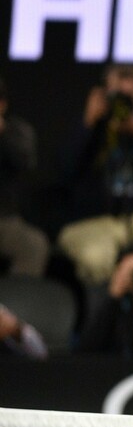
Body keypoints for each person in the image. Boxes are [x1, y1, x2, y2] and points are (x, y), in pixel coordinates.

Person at [56, 64, 133, 305]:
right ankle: (107, 319)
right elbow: (65, 170)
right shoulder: (88, 122)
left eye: (128, 96)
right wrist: (88, 124)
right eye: (117, 96)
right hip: (91, 219)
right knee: (96, 257)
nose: (121, 104)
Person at [0, 74, 51, 277]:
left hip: (4, 220)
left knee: (34, 244)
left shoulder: (15, 131)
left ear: (2, 105)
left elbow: (26, 161)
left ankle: (15, 298)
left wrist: (2, 133)